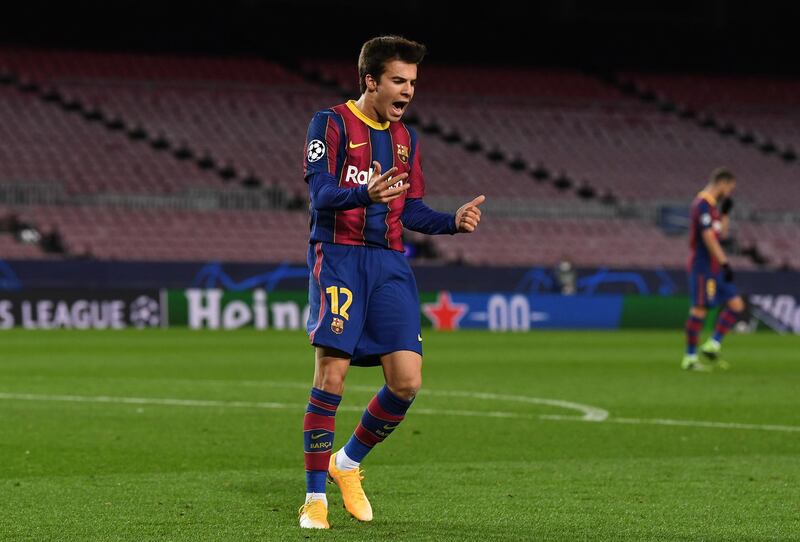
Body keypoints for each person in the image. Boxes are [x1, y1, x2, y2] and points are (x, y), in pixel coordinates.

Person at [298, 35, 485, 529]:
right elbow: (321, 194)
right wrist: (364, 191)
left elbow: (412, 207)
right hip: (338, 257)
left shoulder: (408, 140)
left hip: (388, 263)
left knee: (406, 381)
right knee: (331, 376)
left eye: (413, 83)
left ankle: (347, 463)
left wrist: (452, 221)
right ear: (371, 81)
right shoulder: (330, 122)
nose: (408, 92)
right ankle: (314, 497)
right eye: (399, 81)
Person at [682, 167, 744, 371]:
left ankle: (712, 344)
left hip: (716, 266)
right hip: (703, 267)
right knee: (699, 309)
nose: (730, 192)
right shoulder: (702, 204)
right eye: (730, 188)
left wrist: (725, 213)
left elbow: (721, 235)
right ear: (722, 183)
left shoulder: (714, 207)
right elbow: (708, 238)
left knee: (736, 305)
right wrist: (725, 262)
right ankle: (690, 358)